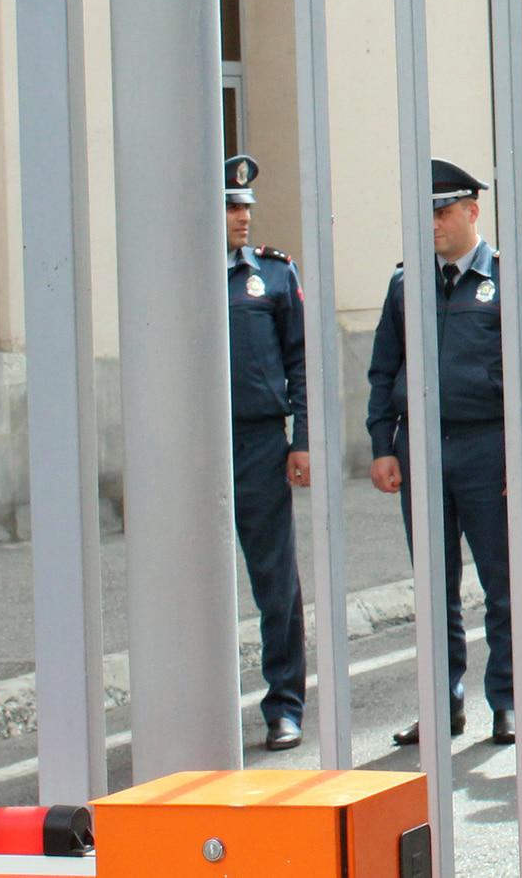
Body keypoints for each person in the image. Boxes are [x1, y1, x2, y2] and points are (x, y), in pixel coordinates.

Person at [365, 158, 522, 748]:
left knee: (502, 583)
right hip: (420, 447)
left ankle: (509, 701)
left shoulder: (511, 278)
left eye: (443, 212)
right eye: (426, 215)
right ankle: (442, 704)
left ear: (472, 211)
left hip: (487, 446)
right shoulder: (405, 284)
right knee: (433, 587)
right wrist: (382, 443)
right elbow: (383, 369)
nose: (434, 224)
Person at [224, 154, 310, 753]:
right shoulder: (177, 277)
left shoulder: (274, 275)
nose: (243, 217)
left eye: (245, 207)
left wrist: (301, 439)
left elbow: (300, 360)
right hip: (192, 449)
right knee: (189, 585)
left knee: (275, 581)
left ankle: (284, 706)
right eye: (231, 207)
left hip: (258, 442)